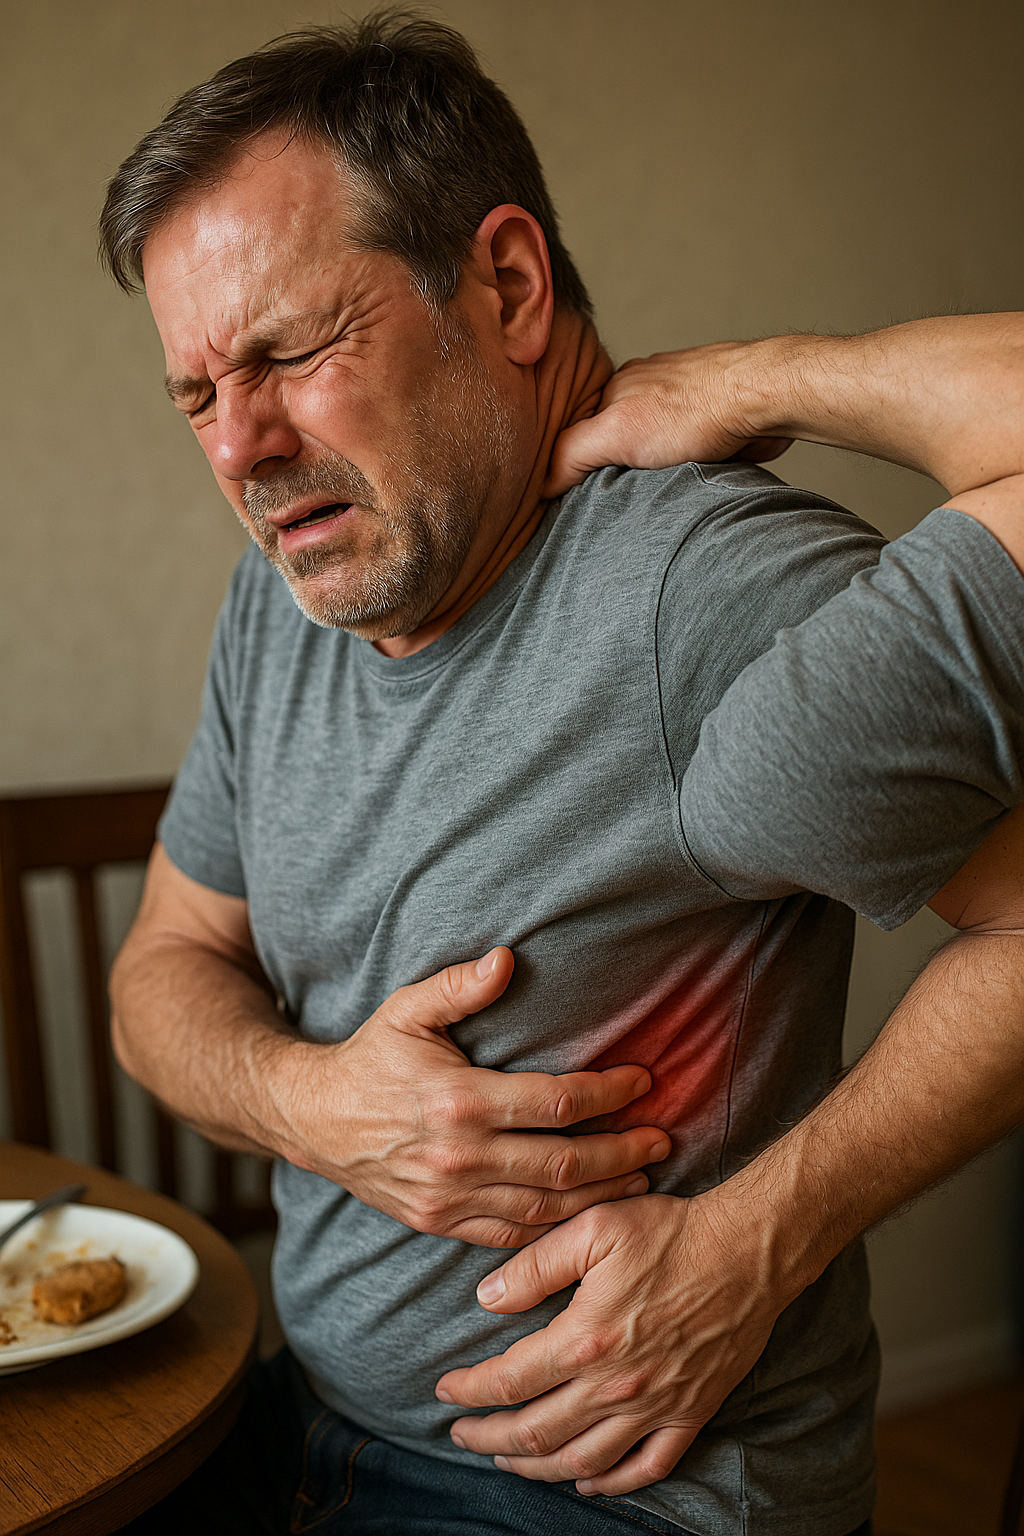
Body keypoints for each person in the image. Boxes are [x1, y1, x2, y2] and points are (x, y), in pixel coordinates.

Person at [100, 15, 1024, 1536]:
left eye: (287, 350)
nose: (243, 450)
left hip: (610, 1496)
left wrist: (756, 1243)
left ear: (509, 287)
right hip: (304, 1425)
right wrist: (313, 1103)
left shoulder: (701, 605)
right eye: (199, 393)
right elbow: (167, 965)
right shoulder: (290, 591)